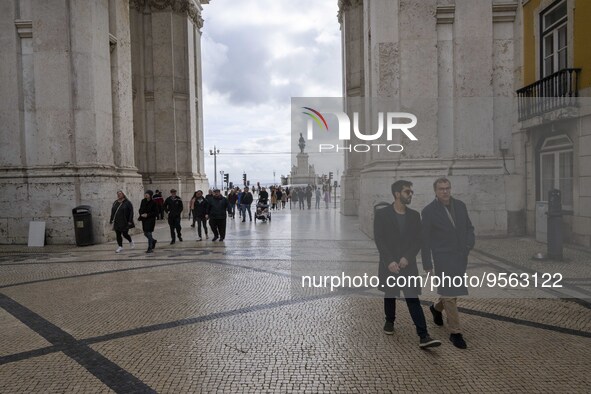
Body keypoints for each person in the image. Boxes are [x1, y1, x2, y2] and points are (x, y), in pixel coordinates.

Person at [374, 180, 441, 349]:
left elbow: (418, 240)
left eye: (411, 192)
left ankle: (423, 335)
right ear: (397, 194)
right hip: (389, 264)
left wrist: (407, 257)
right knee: (390, 294)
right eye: (407, 192)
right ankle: (389, 321)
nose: (410, 194)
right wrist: (389, 261)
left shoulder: (414, 215)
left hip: (407, 264)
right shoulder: (382, 215)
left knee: (412, 298)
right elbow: (380, 240)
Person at [421, 177, 475, 349]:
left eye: (447, 188)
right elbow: (425, 240)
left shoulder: (460, 206)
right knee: (450, 294)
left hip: (460, 256)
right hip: (442, 257)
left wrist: (468, 245)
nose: (445, 191)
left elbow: (469, 228)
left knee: (452, 292)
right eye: (441, 189)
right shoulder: (429, 211)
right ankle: (455, 332)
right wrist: (427, 263)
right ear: (435, 191)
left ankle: (436, 308)